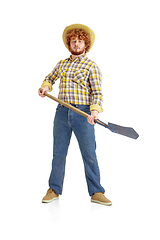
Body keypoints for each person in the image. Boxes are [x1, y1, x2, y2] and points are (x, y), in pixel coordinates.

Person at [38, 24, 112, 206]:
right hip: (62, 112)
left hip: (84, 113)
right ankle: (53, 189)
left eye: (80, 41)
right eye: (73, 41)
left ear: (85, 44)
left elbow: (97, 93)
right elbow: (50, 78)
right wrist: (45, 87)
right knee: (58, 153)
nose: (76, 44)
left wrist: (94, 111)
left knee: (89, 154)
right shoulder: (61, 64)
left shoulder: (91, 66)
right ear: (69, 43)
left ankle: (96, 192)